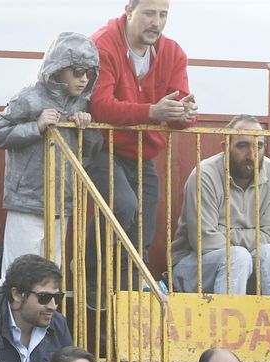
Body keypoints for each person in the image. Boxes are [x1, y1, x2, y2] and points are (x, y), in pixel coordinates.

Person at [88, 0, 195, 262]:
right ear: (128, 10)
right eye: (149, 13)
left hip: (142, 153)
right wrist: (152, 112)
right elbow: (100, 107)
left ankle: (132, 291)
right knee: (123, 206)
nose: (156, 22)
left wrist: (185, 115)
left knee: (144, 229)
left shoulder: (173, 52)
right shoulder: (102, 43)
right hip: (102, 147)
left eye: (163, 14)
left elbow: (180, 104)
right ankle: (90, 273)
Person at [0, 32, 99, 274]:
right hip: (26, 202)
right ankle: (7, 312)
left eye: (89, 72)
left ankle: (43, 312)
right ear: (58, 69)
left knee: (51, 273)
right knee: (16, 274)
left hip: (62, 202)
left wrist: (86, 129)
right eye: (78, 71)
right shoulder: (29, 97)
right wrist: (36, 127)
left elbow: (91, 152)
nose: (84, 79)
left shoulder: (83, 105)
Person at [169, 115, 270, 319]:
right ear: (225, 146)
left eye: (259, 146)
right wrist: (248, 239)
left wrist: (224, 232)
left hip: (246, 264)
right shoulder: (205, 174)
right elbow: (204, 239)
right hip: (192, 266)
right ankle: (225, 341)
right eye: (243, 146)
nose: (252, 155)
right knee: (237, 256)